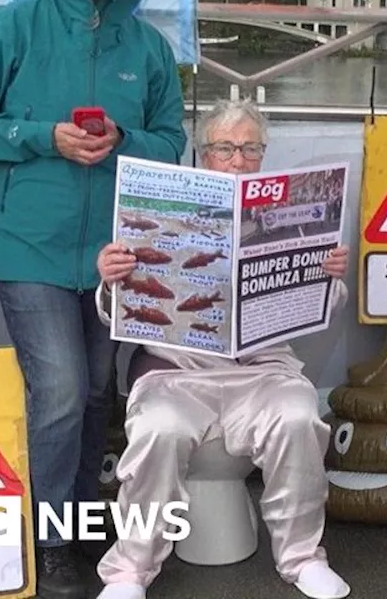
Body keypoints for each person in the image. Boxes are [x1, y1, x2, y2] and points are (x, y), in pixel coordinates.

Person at [0, 0, 186, 597]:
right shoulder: (15, 29)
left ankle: (75, 523)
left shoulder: (148, 49)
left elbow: (172, 140)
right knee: (59, 392)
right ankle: (48, 541)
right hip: (26, 245)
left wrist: (125, 140)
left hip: (116, 252)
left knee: (96, 395)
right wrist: (43, 136)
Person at [93, 99, 350, 599]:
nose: (239, 160)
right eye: (226, 148)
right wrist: (109, 280)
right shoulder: (158, 212)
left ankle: (301, 557)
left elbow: (322, 310)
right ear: (203, 152)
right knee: (157, 430)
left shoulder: (290, 218)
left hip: (262, 371)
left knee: (298, 418)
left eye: (251, 148)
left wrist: (327, 278)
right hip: (176, 372)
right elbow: (112, 312)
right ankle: (129, 570)